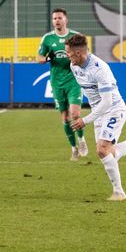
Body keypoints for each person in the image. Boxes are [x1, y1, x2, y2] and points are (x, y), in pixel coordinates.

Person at [66, 34, 126, 201]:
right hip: (99, 112)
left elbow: (107, 102)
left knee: (102, 149)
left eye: (68, 52)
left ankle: (119, 192)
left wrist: (85, 120)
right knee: (108, 153)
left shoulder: (100, 69)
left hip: (114, 109)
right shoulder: (74, 66)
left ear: (78, 52)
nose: (67, 55)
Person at [38, 8, 88, 161]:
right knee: (66, 118)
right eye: (55, 18)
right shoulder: (48, 38)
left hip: (73, 80)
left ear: (66, 20)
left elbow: (86, 55)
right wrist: (47, 58)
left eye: (60, 18)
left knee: (75, 114)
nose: (57, 21)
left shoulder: (75, 37)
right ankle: (73, 148)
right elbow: (40, 58)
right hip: (57, 83)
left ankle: (81, 140)